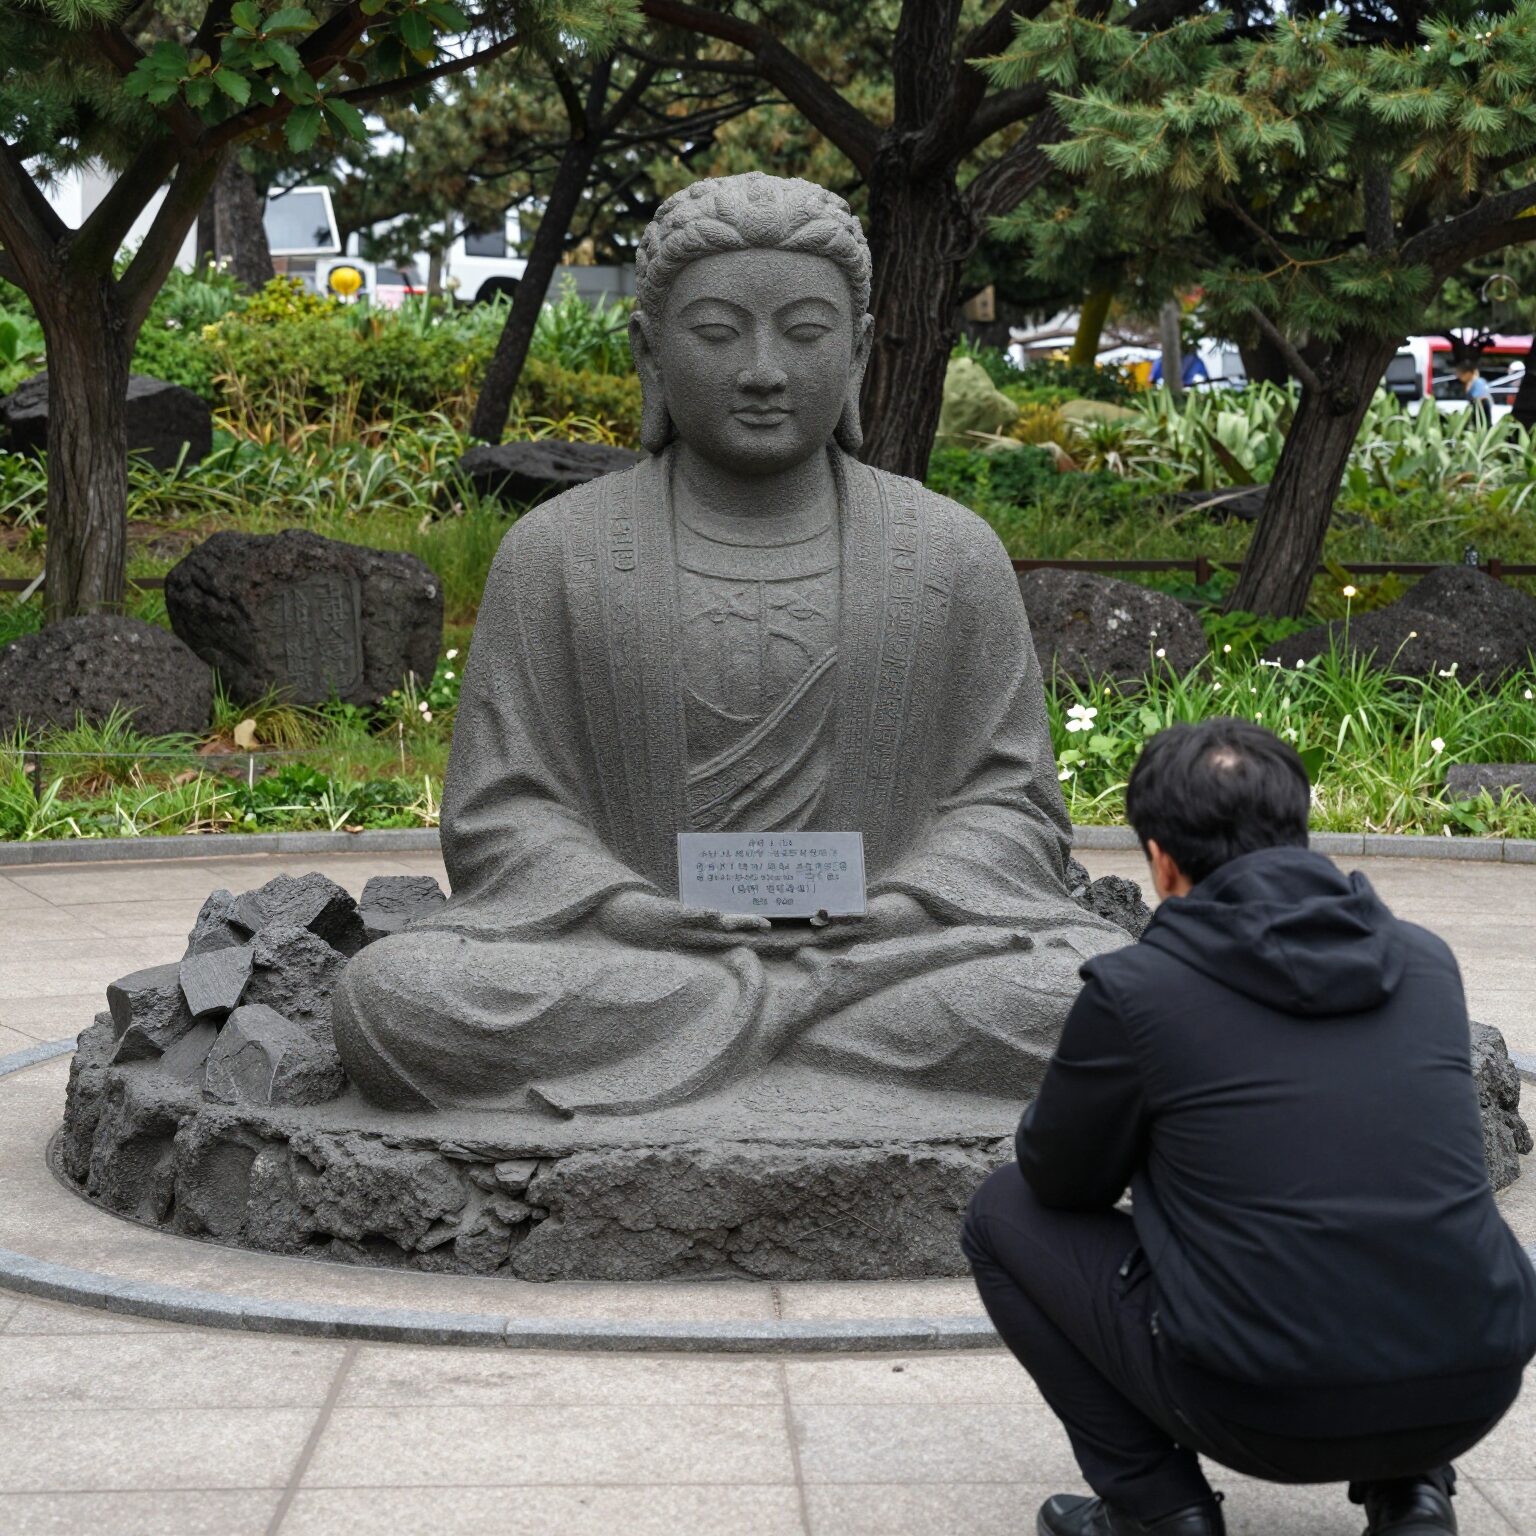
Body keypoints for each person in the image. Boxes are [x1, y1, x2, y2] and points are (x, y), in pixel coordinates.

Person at [331, 172, 1126, 1118]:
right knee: (394, 1000)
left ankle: (740, 1034)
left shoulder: (948, 552)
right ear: (651, 353)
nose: (762, 370)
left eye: (805, 332)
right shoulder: (558, 553)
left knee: (1102, 993)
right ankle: (816, 1039)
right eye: (716, 333)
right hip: (634, 954)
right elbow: (504, 811)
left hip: (889, 949)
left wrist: (903, 906)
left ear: (862, 352)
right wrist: (629, 910)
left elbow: (1012, 803)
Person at [962, 718, 1536, 1536]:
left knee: (1001, 1213)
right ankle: (1413, 1496)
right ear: (1297, 829)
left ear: (1161, 859)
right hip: (1476, 1383)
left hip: (1263, 1410)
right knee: (1375, 1189)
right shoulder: (1422, 960)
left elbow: (1059, 1180)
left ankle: (1158, 1508)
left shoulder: (1139, 991)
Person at [1455, 358, 1494, 425]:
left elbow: (1480, 399)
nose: (1458, 377)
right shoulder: (1472, 382)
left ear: (1468, 373)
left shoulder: (1478, 382)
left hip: (1481, 417)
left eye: (1460, 374)